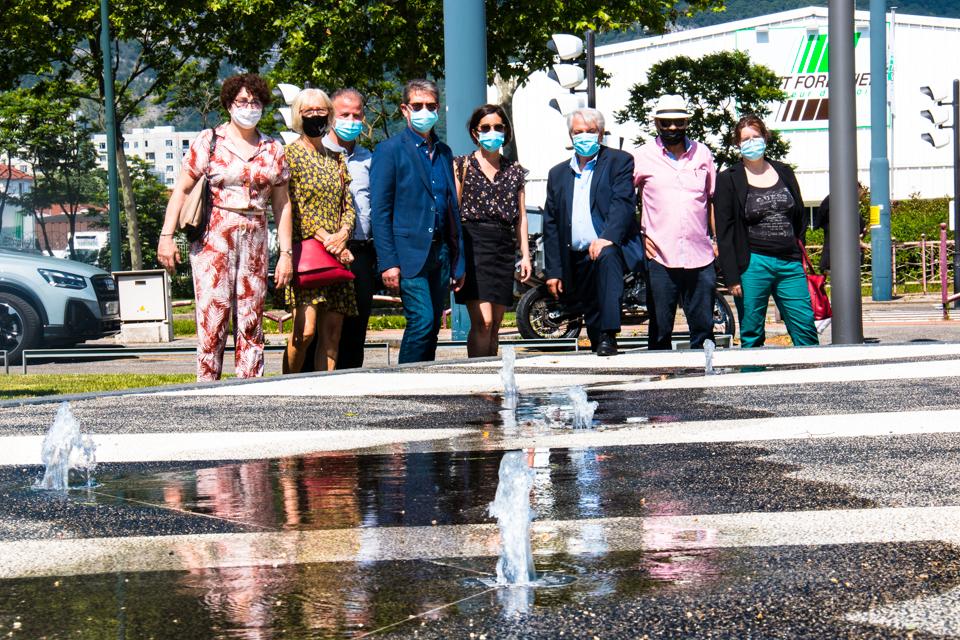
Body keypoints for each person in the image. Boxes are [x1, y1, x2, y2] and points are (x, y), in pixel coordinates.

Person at [158, 73, 292, 381]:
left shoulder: (273, 149)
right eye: (243, 101)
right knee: (212, 315)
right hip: (213, 237)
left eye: (256, 101)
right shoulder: (209, 141)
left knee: (251, 318)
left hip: (256, 236)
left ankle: (251, 387)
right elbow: (181, 189)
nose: (249, 107)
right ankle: (207, 387)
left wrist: (285, 253)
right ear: (229, 104)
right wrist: (167, 237)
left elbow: (282, 203)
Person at [370, 79, 465, 364]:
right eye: (418, 105)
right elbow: (380, 210)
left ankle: (425, 381)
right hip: (409, 253)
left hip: (441, 253)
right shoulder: (389, 150)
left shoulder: (444, 152)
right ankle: (405, 382)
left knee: (434, 324)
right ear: (405, 109)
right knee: (422, 321)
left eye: (431, 106)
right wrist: (388, 261)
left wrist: (457, 259)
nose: (425, 111)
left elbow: (451, 208)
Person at [542, 107, 642, 357]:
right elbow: (551, 223)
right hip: (575, 254)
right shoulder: (557, 174)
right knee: (591, 317)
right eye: (578, 132)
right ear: (570, 136)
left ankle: (610, 334)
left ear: (600, 134)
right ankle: (600, 342)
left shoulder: (619, 161)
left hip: (608, 247)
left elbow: (623, 202)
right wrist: (553, 270)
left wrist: (607, 237)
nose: (584, 136)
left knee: (607, 257)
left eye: (590, 131)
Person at [714, 114, 818, 348]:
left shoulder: (784, 171)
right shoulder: (728, 179)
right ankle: (753, 380)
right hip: (752, 264)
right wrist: (731, 276)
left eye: (756, 136)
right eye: (746, 139)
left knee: (805, 328)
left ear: (765, 138)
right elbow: (725, 230)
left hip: (789, 262)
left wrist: (799, 252)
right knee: (752, 331)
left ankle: (812, 377)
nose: (752, 142)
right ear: (738, 144)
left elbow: (799, 215)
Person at [633, 94, 717, 351]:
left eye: (678, 122)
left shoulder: (702, 153)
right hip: (660, 255)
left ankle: (704, 385)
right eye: (666, 122)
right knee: (660, 329)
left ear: (686, 122)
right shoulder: (642, 156)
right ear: (656, 123)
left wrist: (716, 241)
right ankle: (659, 386)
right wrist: (638, 235)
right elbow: (624, 201)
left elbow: (711, 199)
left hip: (700, 255)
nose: (672, 128)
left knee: (703, 329)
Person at [283, 88, 356, 373]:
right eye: (308, 111)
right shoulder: (289, 155)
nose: (315, 116)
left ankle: (324, 393)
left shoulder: (337, 159)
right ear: (298, 116)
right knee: (305, 331)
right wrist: (329, 240)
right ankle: (288, 386)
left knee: (332, 333)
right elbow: (293, 208)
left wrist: (344, 234)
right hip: (308, 255)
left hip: (337, 253)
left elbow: (347, 205)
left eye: (320, 110)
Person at [454, 104, 532, 357]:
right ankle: (479, 379)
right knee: (483, 321)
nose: (492, 132)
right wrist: (456, 257)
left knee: (496, 324)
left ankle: (492, 382)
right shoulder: (461, 165)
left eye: (498, 127)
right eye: (485, 127)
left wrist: (526, 255)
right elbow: (453, 213)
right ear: (475, 133)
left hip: (503, 246)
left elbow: (521, 217)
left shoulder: (515, 171)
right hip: (473, 243)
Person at [324, 88, 376, 370]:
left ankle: (351, 381)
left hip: (361, 251)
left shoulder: (369, 158)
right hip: (327, 250)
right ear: (332, 116)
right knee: (324, 328)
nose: (351, 120)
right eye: (344, 114)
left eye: (357, 115)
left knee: (357, 327)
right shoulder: (318, 153)